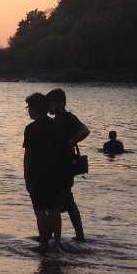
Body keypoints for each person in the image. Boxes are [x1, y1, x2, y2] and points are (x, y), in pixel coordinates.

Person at [24, 93, 66, 251]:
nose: (28, 111)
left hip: (38, 175)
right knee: (55, 210)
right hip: (57, 173)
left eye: (29, 108)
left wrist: (26, 176)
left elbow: (29, 155)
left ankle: (43, 242)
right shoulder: (56, 125)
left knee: (40, 210)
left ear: (35, 109)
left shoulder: (31, 128)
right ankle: (57, 243)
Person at [47, 88, 88, 242]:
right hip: (62, 165)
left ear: (59, 103)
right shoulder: (59, 118)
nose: (48, 107)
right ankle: (79, 236)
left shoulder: (66, 117)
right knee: (68, 201)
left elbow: (85, 130)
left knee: (56, 202)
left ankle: (52, 237)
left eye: (50, 103)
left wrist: (70, 142)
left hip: (63, 166)